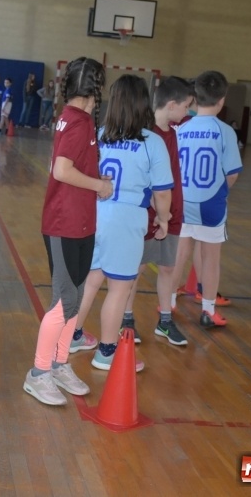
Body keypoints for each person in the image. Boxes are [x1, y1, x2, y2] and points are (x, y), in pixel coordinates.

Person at [22, 57, 111, 406]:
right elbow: (60, 170)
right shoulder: (77, 121)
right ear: (93, 89)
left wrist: (94, 185)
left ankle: (60, 364)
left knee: (73, 297)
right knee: (63, 301)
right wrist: (99, 186)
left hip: (81, 221)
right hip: (64, 223)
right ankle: (39, 373)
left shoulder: (76, 119)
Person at [70, 75, 173, 371]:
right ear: (144, 104)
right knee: (119, 288)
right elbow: (162, 193)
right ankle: (106, 351)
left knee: (91, 280)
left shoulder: (99, 134)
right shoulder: (152, 142)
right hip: (126, 220)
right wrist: (163, 220)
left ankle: (74, 335)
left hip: (96, 214)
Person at [113, 76, 194, 348]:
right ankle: (126, 318)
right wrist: (158, 211)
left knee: (168, 267)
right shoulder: (145, 134)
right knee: (134, 269)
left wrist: (170, 213)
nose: (188, 112)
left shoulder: (175, 131)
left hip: (172, 212)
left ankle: (165, 320)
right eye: (186, 106)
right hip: (149, 214)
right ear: (171, 105)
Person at [172, 71, 242, 328]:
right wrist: (220, 192)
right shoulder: (225, 131)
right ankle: (208, 310)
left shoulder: (181, 129)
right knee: (211, 257)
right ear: (222, 100)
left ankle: (167, 303)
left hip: (182, 201)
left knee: (180, 252)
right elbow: (232, 173)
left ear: (195, 98)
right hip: (211, 202)